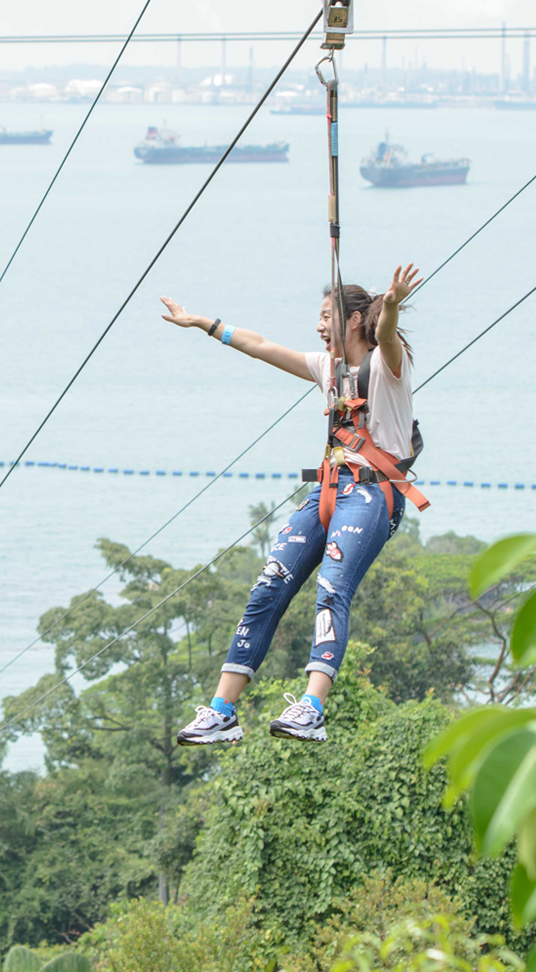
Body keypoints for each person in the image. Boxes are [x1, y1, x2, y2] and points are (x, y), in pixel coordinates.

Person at [158, 265, 422, 745]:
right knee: (268, 585)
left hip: (372, 492)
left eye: (327, 317)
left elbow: (385, 336)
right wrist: (203, 324)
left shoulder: (388, 365)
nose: (319, 327)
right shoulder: (328, 368)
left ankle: (312, 706)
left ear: (356, 320)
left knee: (332, 586)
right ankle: (222, 711)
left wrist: (395, 304)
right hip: (328, 490)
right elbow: (260, 345)